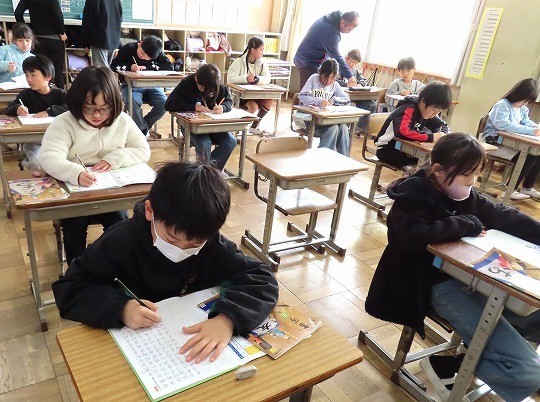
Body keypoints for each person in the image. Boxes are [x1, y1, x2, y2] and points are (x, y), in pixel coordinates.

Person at [365, 133, 540, 402]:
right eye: (467, 176)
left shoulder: (462, 193)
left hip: (464, 277)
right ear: (437, 171)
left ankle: (458, 362)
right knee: (527, 373)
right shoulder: (414, 195)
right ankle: (463, 364)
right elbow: (413, 236)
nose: (472, 183)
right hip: (424, 283)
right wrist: (466, 223)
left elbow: (503, 215)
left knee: (533, 319)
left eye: (476, 176)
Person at [52, 161, 279, 364]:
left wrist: (227, 319)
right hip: (134, 346)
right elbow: (70, 289)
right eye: (171, 239)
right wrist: (121, 308)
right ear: (150, 211)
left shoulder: (212, 244)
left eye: (194, 244)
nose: (182, 248)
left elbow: (261, 278)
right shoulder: (119, 241)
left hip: (184, 345)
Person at [38, 66, 150, 264]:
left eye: (104, 108)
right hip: (75, 192)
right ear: (77, 102)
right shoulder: (64, 122)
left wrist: (114, 159)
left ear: (115, 104)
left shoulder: (122, 120)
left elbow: (142, 150)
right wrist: (75, 172)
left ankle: (114, 267)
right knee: (74, 228)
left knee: (120, 224)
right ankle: (76, 273)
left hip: (110, 190)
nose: (97, 115)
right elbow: (48, 157)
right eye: (89, 108)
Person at [165, 64, 236, 171]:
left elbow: (229, 101)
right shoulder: (186, 83)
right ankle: (206, 174)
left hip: (212, 125)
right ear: (196, 78)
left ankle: (210, 172)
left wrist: (223, 107)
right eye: (202, 87)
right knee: (204, 143)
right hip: (192, 127)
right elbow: (169, 104)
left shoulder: (216, 83)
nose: (204, 90)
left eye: (210, 89)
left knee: (230, 141)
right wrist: (194, 107)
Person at [482, 78, 540, 201]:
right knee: (528, 156)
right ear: (517, 94)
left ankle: (527, 187)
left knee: (537, 154)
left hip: (509, 143)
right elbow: (503, 125)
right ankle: (510, 190)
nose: (525, 104)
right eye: (524, 101)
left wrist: (535, 127)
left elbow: (526, 122)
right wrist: (531, 131)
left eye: (527, 102)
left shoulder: (522, 108)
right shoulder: (503, 105)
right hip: (495, 143)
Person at [6, 55, 67, 169]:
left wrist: (50, 111)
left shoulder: (60, 94)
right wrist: (17, 108)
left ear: (48, 76)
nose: (29, 79)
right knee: (36, 163)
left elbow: (70, 108)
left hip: (57, 140)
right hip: (33, 140)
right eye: (26, 75)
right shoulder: (25, 95)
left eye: (33, 75)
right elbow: (9, 109)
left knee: (60, 162)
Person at [375, 81, 451, 169]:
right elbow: (402, 131)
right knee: (424, 167)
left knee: (432, 163)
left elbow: (442, 125)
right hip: (388, 150)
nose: (435, 114)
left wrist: (443, 134)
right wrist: (431, 137)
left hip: (405, 150)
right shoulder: (408, 108)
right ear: (423, 101)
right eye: (434, 110)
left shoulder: (426, 112)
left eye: (439, 112)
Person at [111, 35, 173, 136]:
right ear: (140, 44)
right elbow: (113, 65)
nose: (143, 58)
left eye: (147, 58)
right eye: (142, 54)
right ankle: (142, 129)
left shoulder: (156, 52)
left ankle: (143, 127)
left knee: (164, 103)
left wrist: (148, 68)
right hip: (131, 86)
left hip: (152, 86)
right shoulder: (128, 48)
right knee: (132, 101)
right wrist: (130, 67)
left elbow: (169, 67)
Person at [297, 59, 351, 156]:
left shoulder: (335, 85)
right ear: (320, 73)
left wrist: (333, 100)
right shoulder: (314, 79)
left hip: (326, 120)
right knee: (333, 128)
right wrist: (318, 101)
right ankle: (322, 158)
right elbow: (302, 96)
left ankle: (344, 158)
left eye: (332, 78)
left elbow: (347, 99)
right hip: (309, 120)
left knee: (343, 127)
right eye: (325, 77)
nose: (328, 81)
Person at [294, 10, 359, 89]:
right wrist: (349, 76)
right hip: (307, 60)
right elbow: (336, 56)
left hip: (311, 59)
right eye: (348, 29)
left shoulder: (331, 19)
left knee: (315, 89)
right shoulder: (330, 32)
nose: (348, 32)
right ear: (342, 22)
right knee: (311, 90)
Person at [15, 0, 67, 89]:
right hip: (55, 39)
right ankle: (60, 95)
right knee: (58, 71)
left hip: (38, 39)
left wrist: (26, 30)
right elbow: (58, 16)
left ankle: (42, 95)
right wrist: (62, 32)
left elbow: (18, 12)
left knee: (42, 70)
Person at [227, 36, 273, 135]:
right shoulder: (238, 62)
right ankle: (237, 127)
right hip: (240, 95)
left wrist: (257, 79)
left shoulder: (262, 63)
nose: (262, 53)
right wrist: (246, 78)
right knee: (253, 107)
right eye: (261, 50)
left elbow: (268, 78)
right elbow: (230, 80)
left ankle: (254, 126)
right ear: (253, 50)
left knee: (269, 101)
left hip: (256, 94)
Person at [336, 49, 376, 134]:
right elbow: (334, 81)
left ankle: (358, 127)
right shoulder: (337, 68)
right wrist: (346, 84)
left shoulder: (355, 71)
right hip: (342, 97)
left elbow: (364, 80)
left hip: (356, 97)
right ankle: (345, 128)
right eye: (352, 62)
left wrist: (360, 84)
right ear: (347, 58)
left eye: (355, 63)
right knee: (350, 105)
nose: (353, 65)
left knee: (372, 104)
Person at [81, 0, 122, 67]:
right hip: (113, 40)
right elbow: (120, 17)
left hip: (99, 40)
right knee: (106, 69)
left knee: (101, 70)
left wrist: (85, 42)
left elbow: (88, 21)